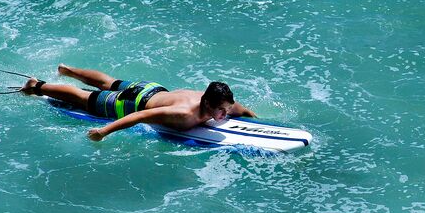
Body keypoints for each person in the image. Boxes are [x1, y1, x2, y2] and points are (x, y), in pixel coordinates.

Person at [20, 64, 256, 141]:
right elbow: (140, 117)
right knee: (83, 98)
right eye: (222, 112)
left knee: (109, 81)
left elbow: (243, 110)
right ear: (207, 103)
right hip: (132, 103)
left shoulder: (221, 101)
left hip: (153, 88)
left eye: (226, 111)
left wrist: (255, 121)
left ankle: (67, 69)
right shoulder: (184, 115)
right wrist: (103, 131)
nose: (226, 114)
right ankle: (37, 86)